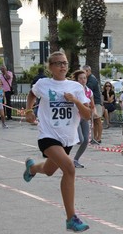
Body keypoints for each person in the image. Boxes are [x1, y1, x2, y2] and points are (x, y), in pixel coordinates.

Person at [23, 51, 90, 232]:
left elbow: (88, 115)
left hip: (67, 138)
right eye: (58, 63)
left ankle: (32, 168)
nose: (62, 66)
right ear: (50, 67)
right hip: (48, 135)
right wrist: (29, 111)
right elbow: (31, 95)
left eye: (65, 63)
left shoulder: (76, 87)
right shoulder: (43, 84)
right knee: (69, 168)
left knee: (49, 170)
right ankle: (71, 218)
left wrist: (75, 100)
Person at [72, 70, 95, 168]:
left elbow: (92, 105)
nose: (83, 80)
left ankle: (76, 159)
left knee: (86, 140)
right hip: (76, 117)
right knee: (80, 139)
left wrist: (92, 115)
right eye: (80, 78)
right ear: (77, 80)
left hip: (84, 117)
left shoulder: (89, 91)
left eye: (84, 78)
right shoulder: (73, 90)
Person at [83, 65, 103, 144]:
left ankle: (99, 137)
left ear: (88, 71)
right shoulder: (89, 79)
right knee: (94, 121)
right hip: (92, 102)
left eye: (85, 72)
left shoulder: (92, 79)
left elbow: (88, 88)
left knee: (97, 120)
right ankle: (94, 137)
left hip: (96, 102)